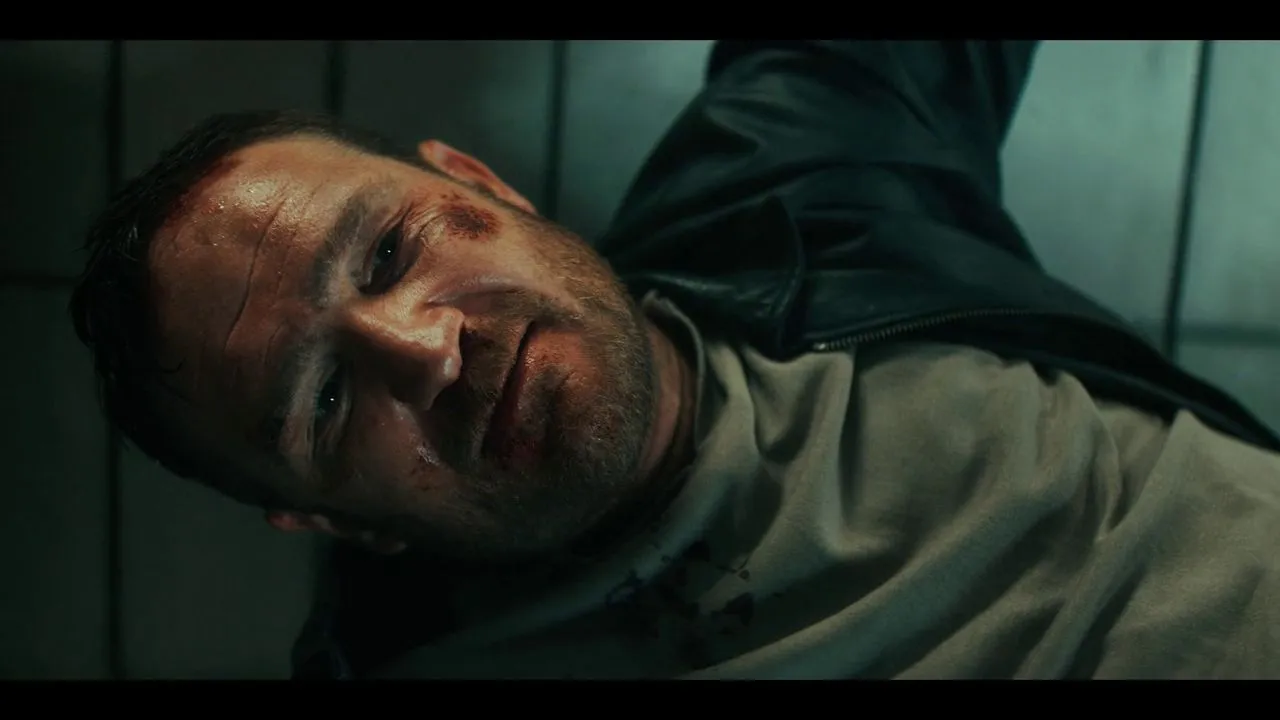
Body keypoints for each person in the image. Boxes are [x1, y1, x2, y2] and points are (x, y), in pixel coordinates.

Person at [70, 40, 1280, 679]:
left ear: (480, 185)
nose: (428, 352)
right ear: (331, 521)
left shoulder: (797, 173)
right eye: (328, 400)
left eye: (389, 251)